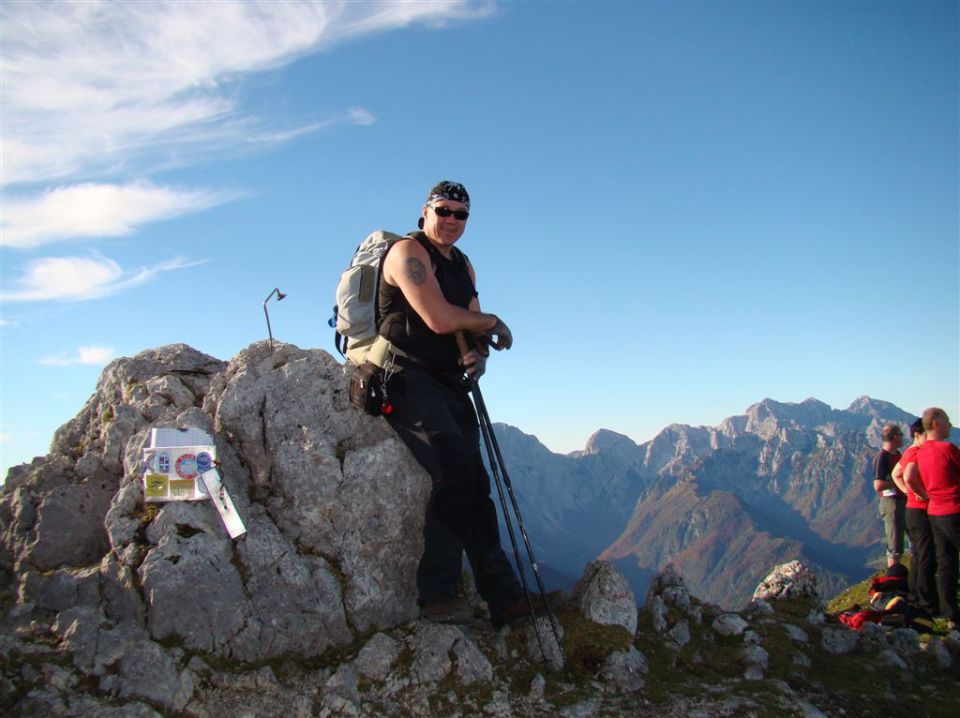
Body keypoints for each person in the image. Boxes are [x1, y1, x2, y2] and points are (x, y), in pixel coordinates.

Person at [376, 180, 534, 626]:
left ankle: (503, 597)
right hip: (404, 377)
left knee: (475, 484)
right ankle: (439, 594)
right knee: (456, 473)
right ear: (424, 211)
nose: (451, 221)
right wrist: (494, 321)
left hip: (446, 383)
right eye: (443, 210)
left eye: (460, 214)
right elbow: (439, 317)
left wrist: (478, 354)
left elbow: (468, 327)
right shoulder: (408, 254)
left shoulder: (462, 265)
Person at [904, 408, 960, 632]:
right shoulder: (948, 449)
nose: (950, 424)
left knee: (946, 563)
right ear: (936, 423)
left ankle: (952, 617)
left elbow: (908, 476)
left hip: (934, 512)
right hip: (954, 509)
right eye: (947, 421)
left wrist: (924, 494)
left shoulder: (920, 451)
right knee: (946, 562)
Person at [891, 418, 938, 616]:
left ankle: (915, 596)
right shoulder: (917, 452)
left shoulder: (909, 451)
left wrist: (908, 493)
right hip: (921, 510)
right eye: (928, 434)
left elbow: (896, 474)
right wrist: (923, 494)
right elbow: (908, 476)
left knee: (918, 556)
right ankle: (927, 603)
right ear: (918, 434)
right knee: (927, 556)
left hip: (912, 509)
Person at [872, 423, 905, 567]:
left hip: (901, 500)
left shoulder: (897, 454)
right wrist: (899, 481)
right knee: (895, 543)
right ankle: (893, 576)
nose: (903, 438)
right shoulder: (882, 457)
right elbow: (878, 485)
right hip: (891, 503)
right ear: (895, 437)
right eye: (901, 435)